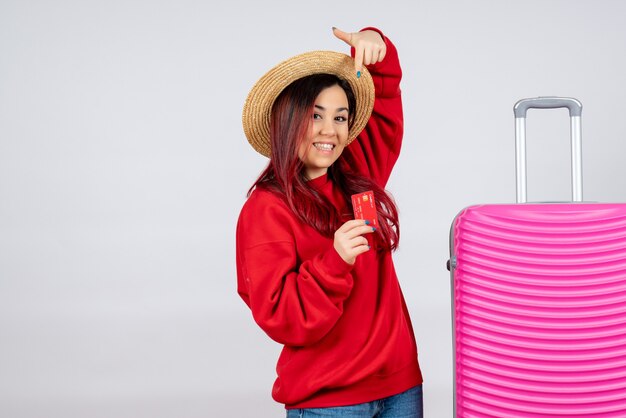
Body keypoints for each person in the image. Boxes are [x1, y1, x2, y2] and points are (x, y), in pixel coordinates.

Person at [236, 26, 423, 417]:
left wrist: (377, 44)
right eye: (314, 115)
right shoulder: (266, 209)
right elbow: (282, 317)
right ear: (287, 122)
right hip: (329, 403)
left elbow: (385, 108)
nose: (329, 131)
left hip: (400, 388)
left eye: (341, 117)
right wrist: (335, 261)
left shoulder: (359, 179)